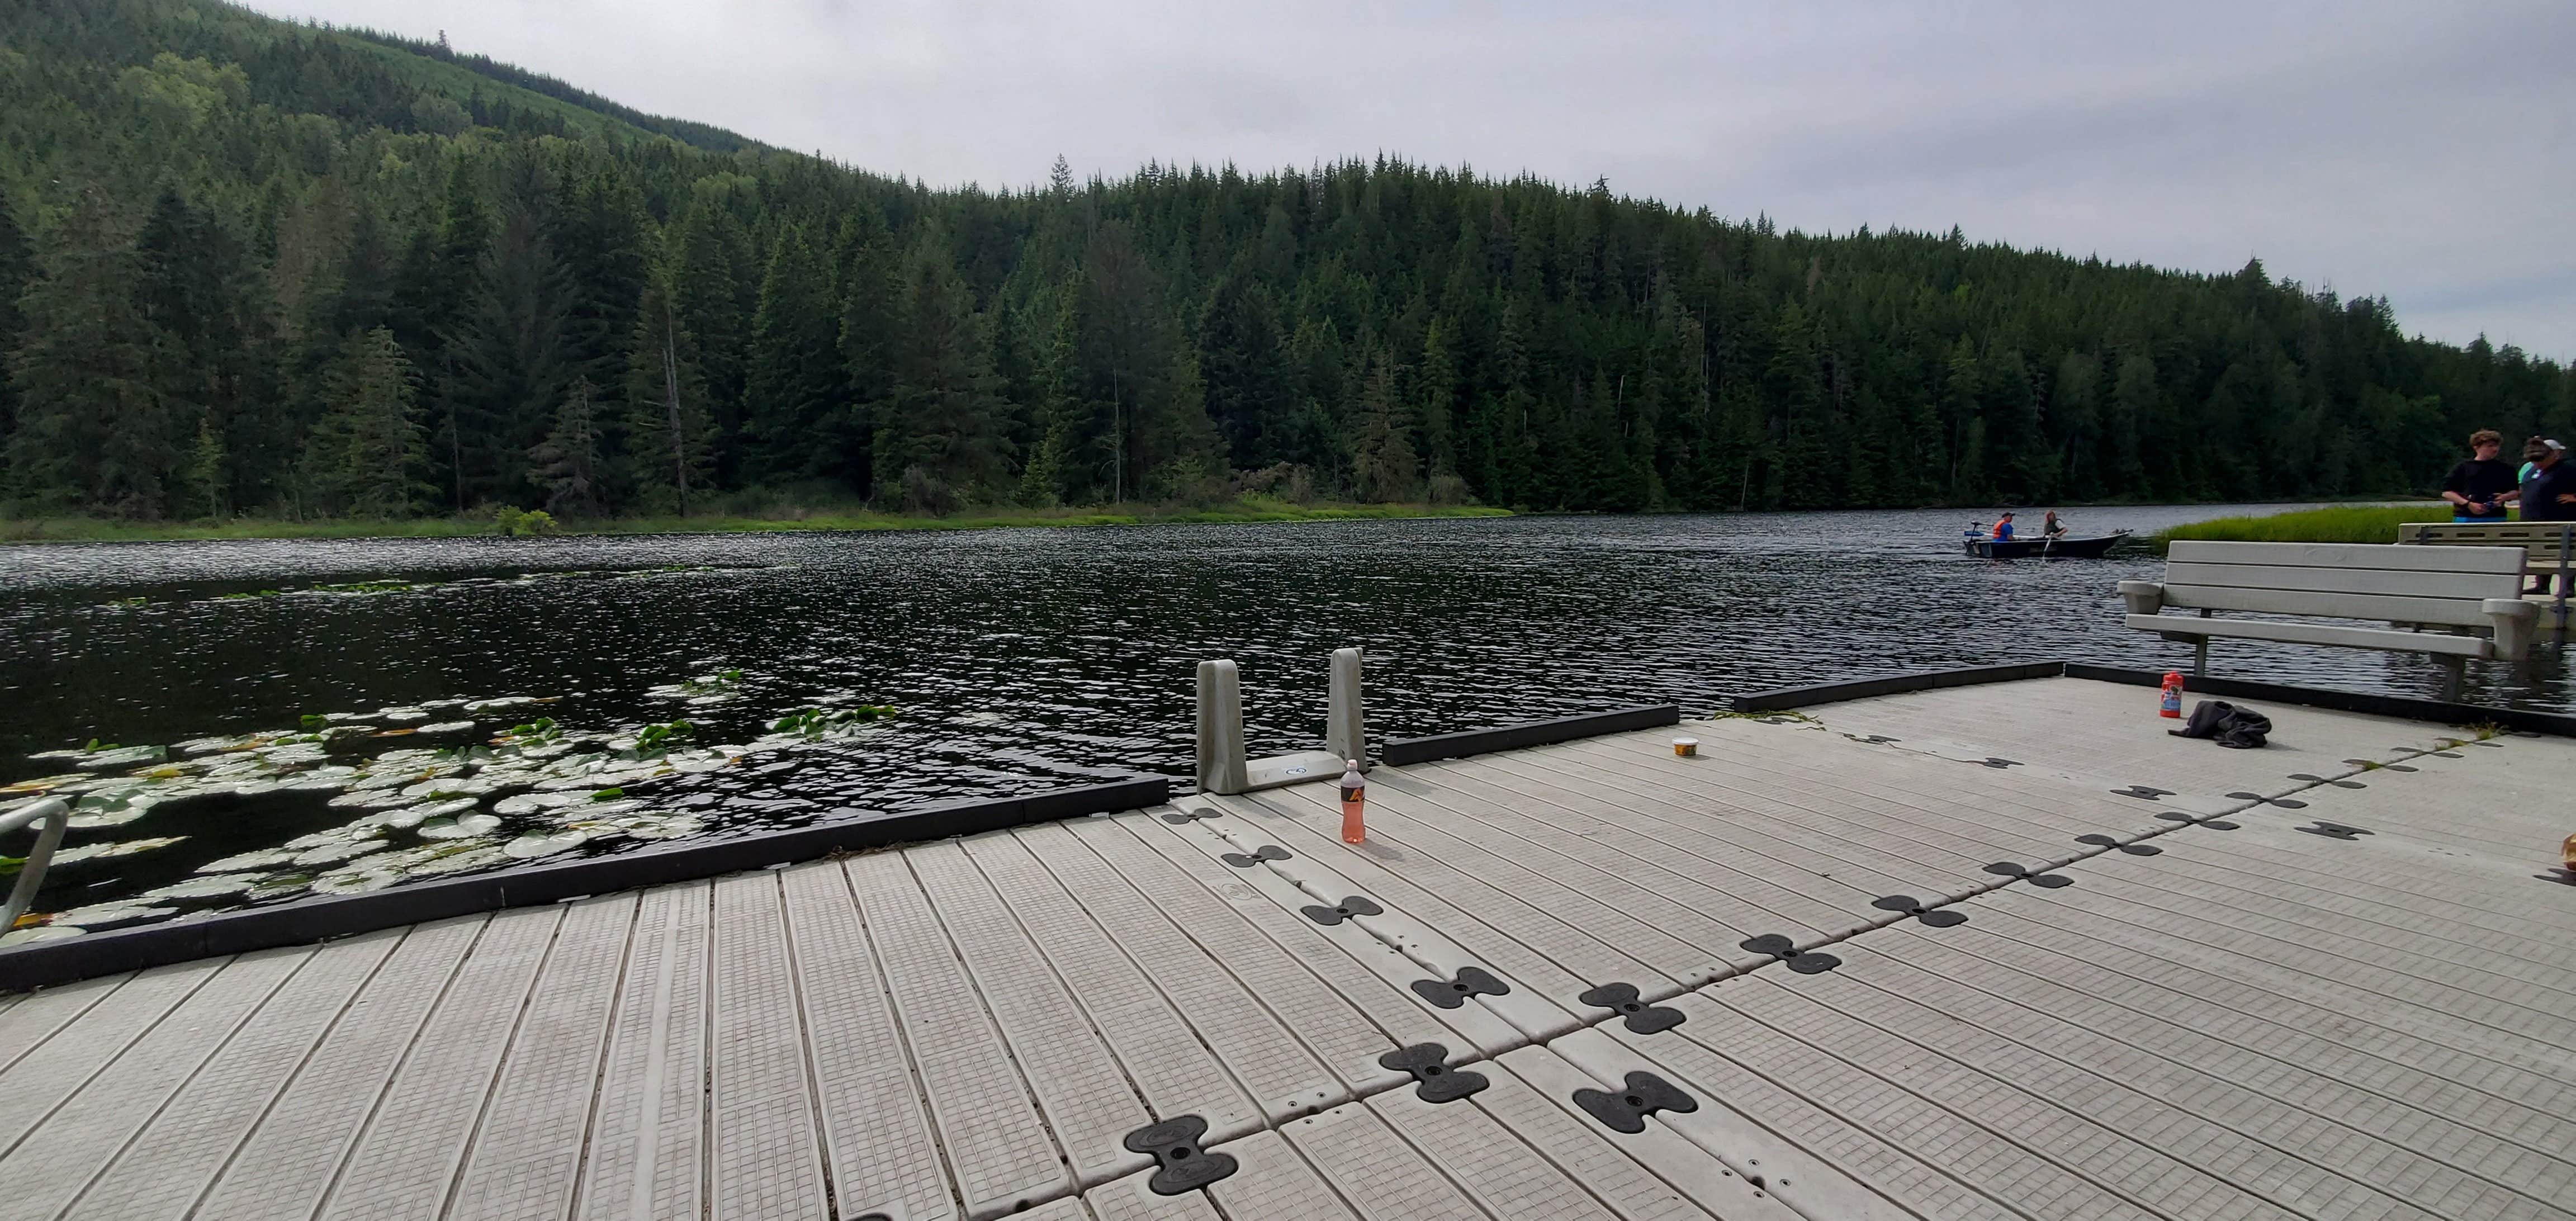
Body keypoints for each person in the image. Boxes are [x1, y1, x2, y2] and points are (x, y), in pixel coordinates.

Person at [2522, 439, 2576, 595]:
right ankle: (2542, 585)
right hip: (2535, 520)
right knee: (2541, 552)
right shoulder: (2532, 470)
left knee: (2565, 552)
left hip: (2561, 518)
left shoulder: (2568, 469)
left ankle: (2567, 587)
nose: (2537, 463)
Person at [2441, 429, 2518, 522]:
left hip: (2496, 516)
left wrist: (2504, 497)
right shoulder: (2463, 468)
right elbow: (2447, 493)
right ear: (2476, 447)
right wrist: (2468, 504)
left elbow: (2515, 492)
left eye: (2497, 446)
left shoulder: (2506, 469)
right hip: (2466, 516)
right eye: (2490, 446)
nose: (2495, 449)